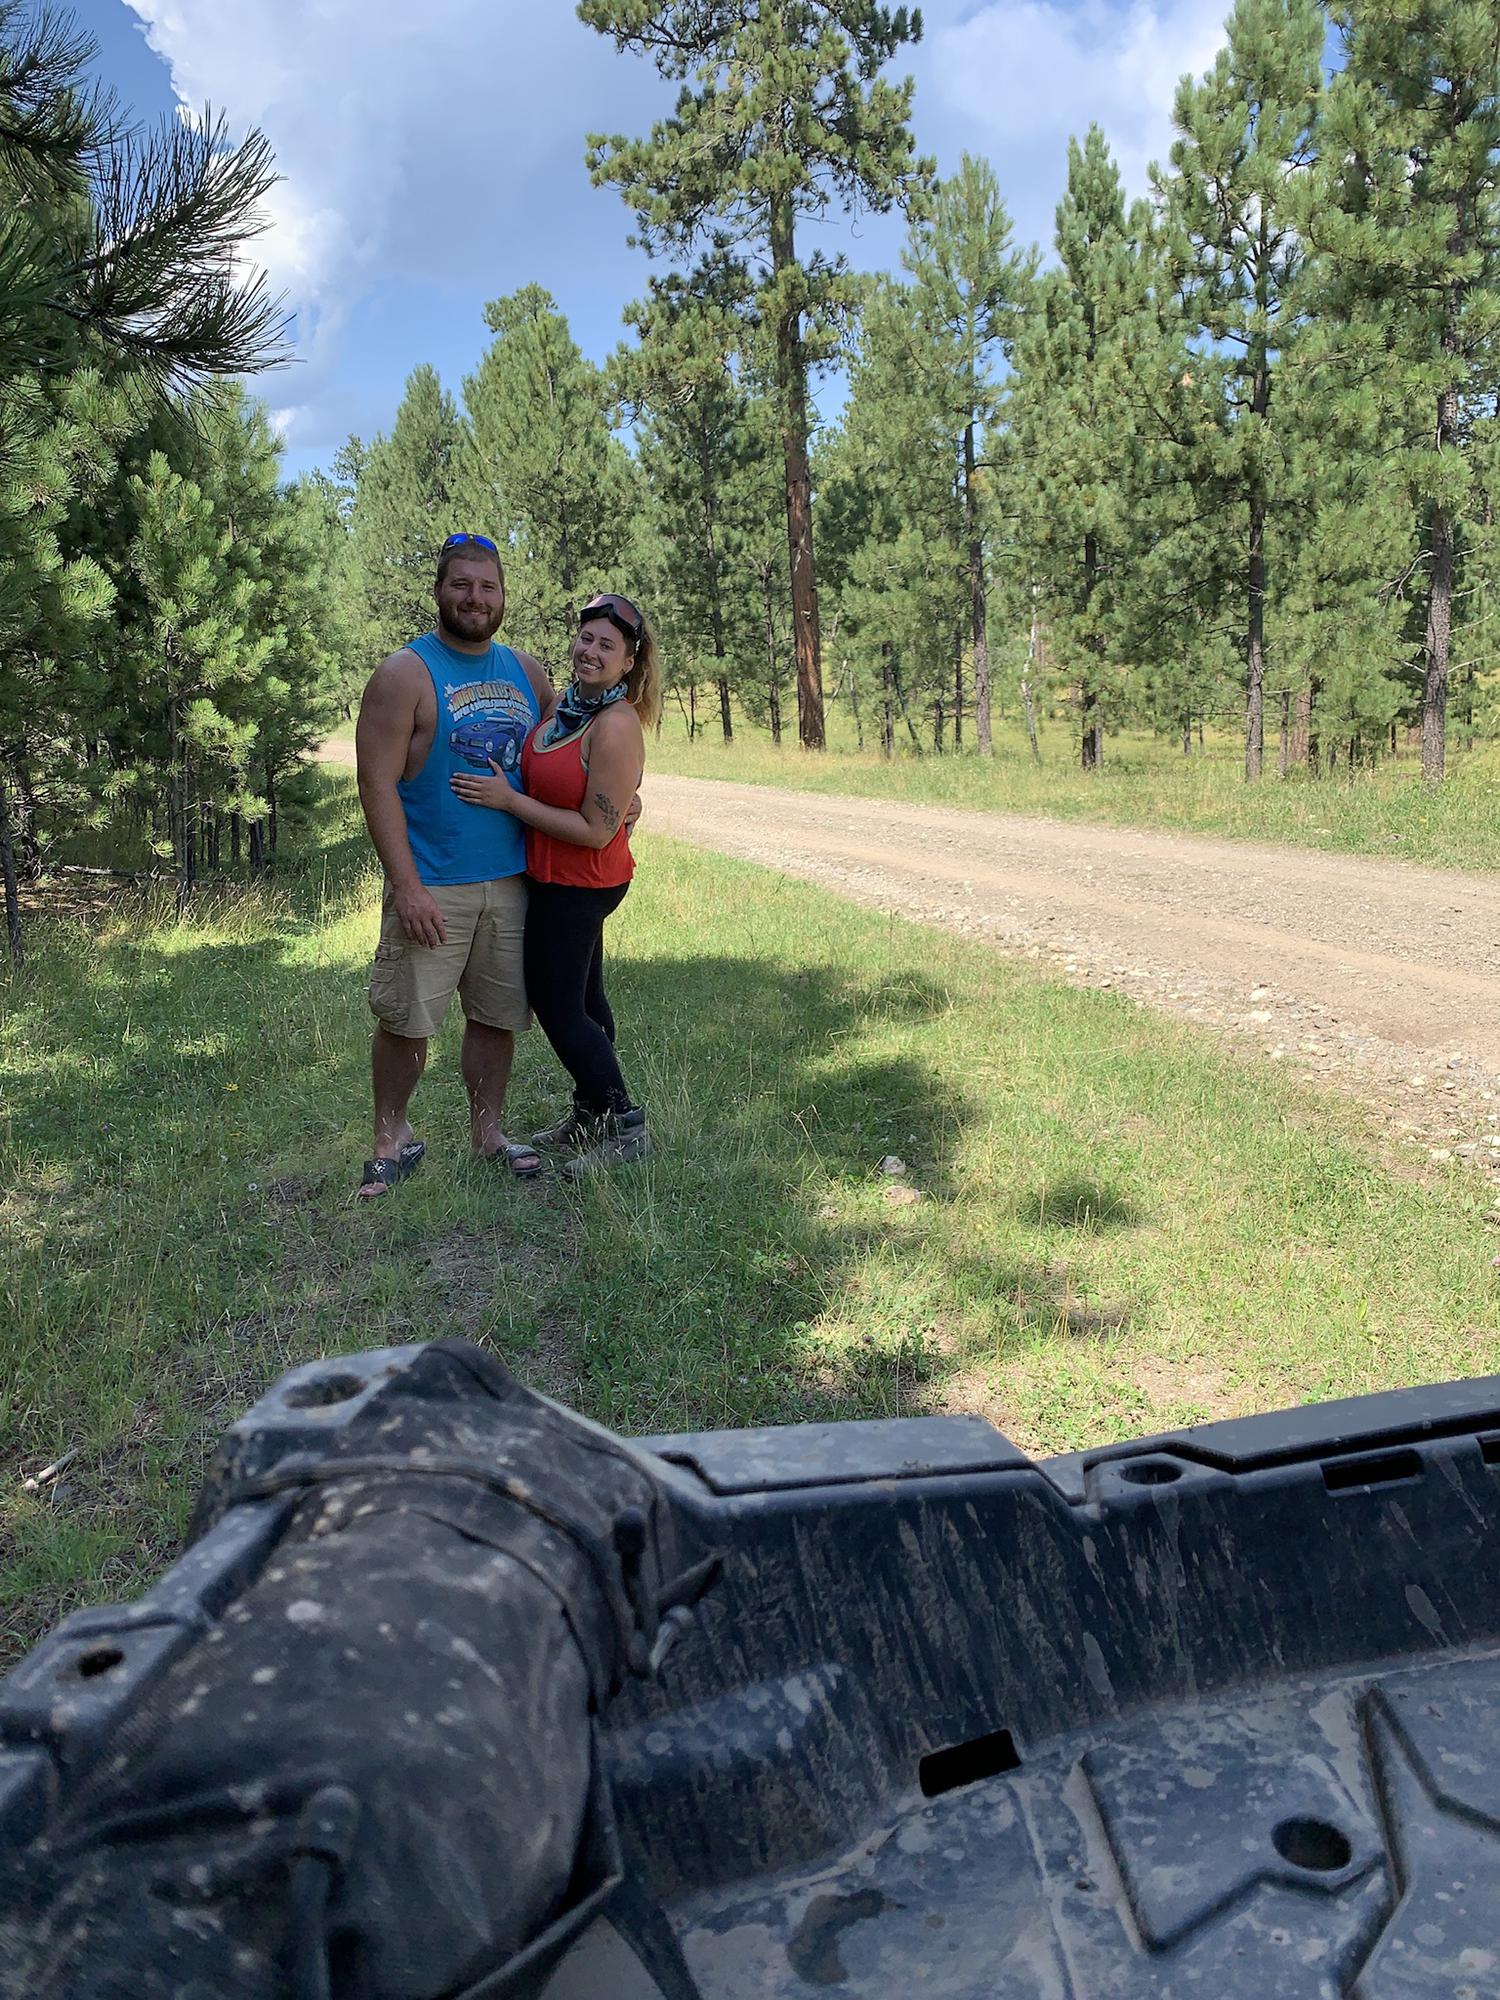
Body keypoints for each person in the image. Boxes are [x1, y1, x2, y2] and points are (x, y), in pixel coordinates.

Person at [354, 533, 555, 1196]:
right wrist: (405, 886)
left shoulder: (527, 672)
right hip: (433, 883)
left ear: (503, 595)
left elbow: (569, 752)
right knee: (408, 1019)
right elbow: (376, 783)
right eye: (462, 584)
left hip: (513, 880)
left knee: (498, 1016)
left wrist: (622, 792)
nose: (476, 597)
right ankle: (391, 1136)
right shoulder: (405, 674)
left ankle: (488, 1132)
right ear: (439, 590)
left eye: (487, 586)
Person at [450, 592, 659, 1176]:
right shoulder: (568, 708)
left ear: (629, 662)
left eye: (606, 646)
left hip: (580, 881)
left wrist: (509, 802)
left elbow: (595, 831)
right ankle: (593, 1110)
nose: (590, 651)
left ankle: (623, 1123)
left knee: (558, 1004)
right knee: (587, 1001)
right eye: (586, 638)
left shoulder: (615, 725)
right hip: (555, 878)